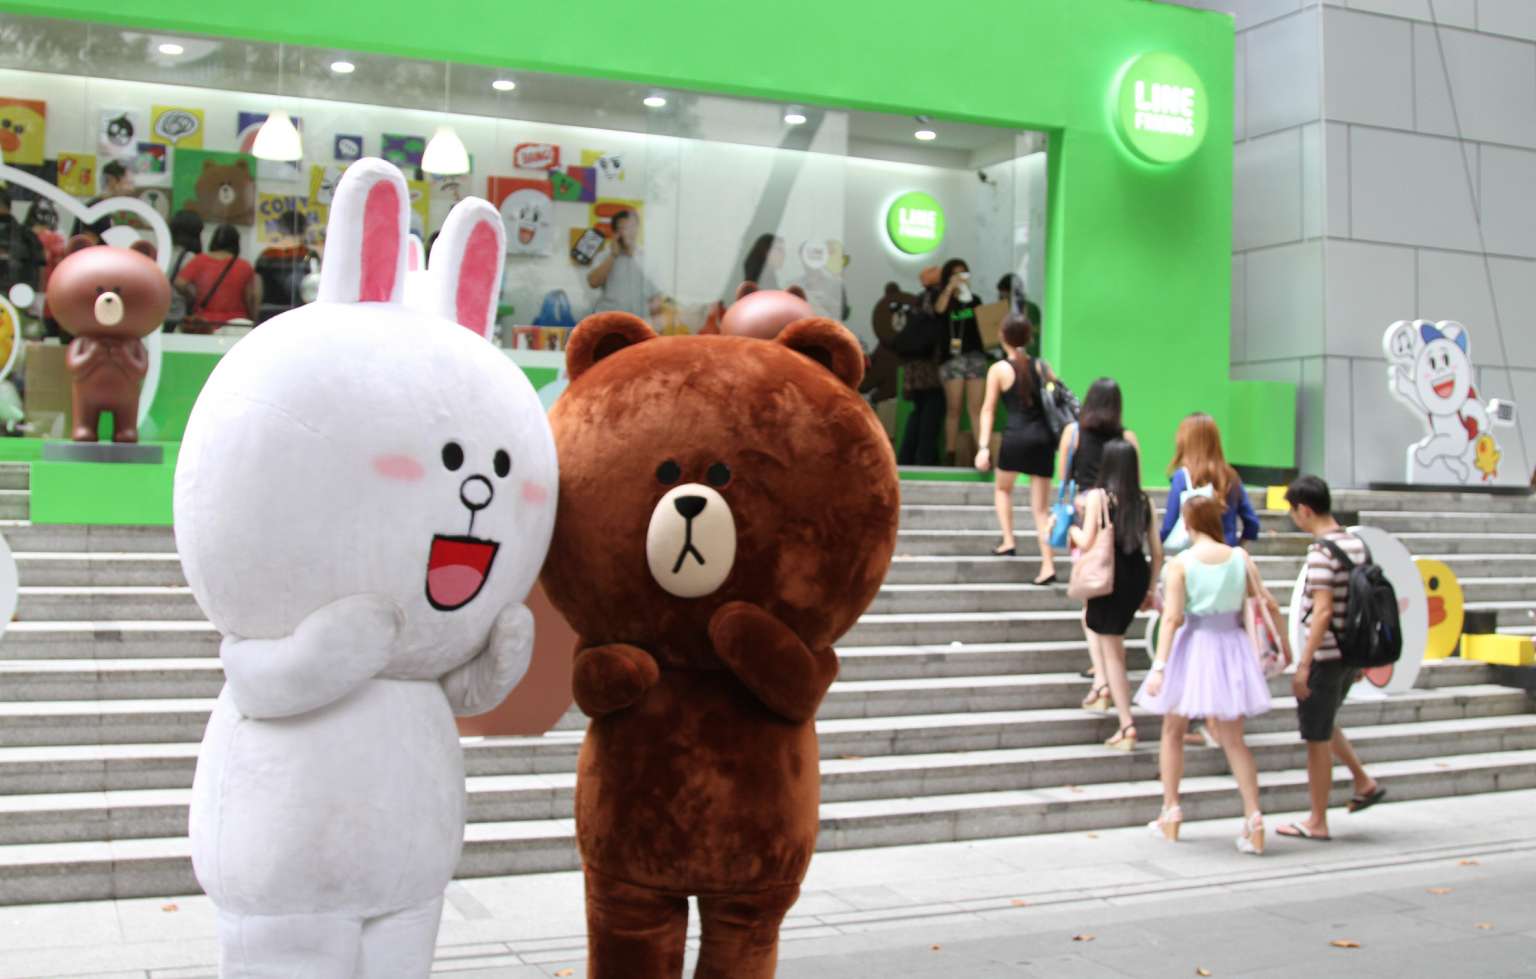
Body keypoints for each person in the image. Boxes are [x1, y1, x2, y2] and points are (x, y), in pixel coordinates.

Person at [1137, 494, 1281, 854]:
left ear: (1189, 524)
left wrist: (1159, 667)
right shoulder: (1240, 558)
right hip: (1232, 646)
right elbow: (1265, 602)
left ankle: (1171, 809)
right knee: (1234, 739)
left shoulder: (1181, 564)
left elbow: (1172, 618)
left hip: (1193, 646)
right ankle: (1253, 816)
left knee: (1173, 730)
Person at [1277, 475, 1386, 842]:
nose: (1294, 518)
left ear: (1305, 510)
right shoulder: (1357, 544)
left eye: (1294, 511)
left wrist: (1304, 664)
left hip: (1326, 656)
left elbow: (1322, 611)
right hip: (1350, 653)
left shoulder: (1321, 553)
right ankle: (1363, 781)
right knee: (1325, 722)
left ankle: (1317, 821)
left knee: (1316, 738)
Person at [1069, 439, 1161, 749]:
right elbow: (1157, 552)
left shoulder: (1099, 497)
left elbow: (1086, 541)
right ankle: (1106, 694)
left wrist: (1070, 529)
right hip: (1136, 577)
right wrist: (1150, 589)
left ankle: (1126, 724)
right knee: (1114, 646)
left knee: (1113, 654)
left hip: (1109, 578)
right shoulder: (1145, 501)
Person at [1058, 378, 1140, 706]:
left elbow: (1063, 476)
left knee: (1092, 597)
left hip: (1088, 517)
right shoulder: (1127, 438)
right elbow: (1134, 482)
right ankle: (1106, 668)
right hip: (1122, 522)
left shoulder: (1073, 433)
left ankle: (1102, 675)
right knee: (1108, 597)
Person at [975, 314, 1058, 584]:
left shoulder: (999, 369)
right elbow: (1057, 397)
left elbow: (987, 410)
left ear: (1002, 337)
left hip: (1015, 438)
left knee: (1003, 489)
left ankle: (1008, 540)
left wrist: (983, 447)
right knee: (1041, 509)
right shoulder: (1042, 367)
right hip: (1043, 439)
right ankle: (1048, 565)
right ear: (1029, 337)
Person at [1161, 413, 1260, 550]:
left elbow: (1168, 527)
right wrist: (1236, 547)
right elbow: (1252, 524)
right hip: (1226, 553)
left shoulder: (1182, 477)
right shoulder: (1231, 476)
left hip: (1195, 556)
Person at [930, 258, 987, 466]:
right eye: (956, 274)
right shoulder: (943, 299)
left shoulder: (975, 300)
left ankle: (982, 452)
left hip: (975, 356)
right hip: (952, 359)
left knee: (976, 408)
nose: (961, 278)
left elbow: (984, 325)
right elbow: (938, 310)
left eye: (964, 274)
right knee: (954, 408)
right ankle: (950, 453)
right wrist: (950, 288)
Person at [890, 268, 947, 466]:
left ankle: (907, 458)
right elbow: (939, 317)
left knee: (918, 413)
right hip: (930, 370)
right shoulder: (936, 298)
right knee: (932, 413)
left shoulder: (919, 299)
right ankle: (925, 458)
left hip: (914, 369)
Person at [175, 224, 259, 330]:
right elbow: (251, 297)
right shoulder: (244, 266)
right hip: (236, 324)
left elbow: (179, 283)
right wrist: (255, 320)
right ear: (236, 243)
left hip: (204, 323)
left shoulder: (199, 261)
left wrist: (191, 297)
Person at [588, 208, 662, 320]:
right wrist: (613, 255)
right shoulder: (605, 255)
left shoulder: (647, 258)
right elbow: (593, 282)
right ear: (616, 233)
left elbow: (656, 296)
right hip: (609, 321)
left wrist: (655, 324)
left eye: (633, 227)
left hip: (638, 322)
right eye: (624, 228)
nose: (630, 232)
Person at [254, 210, 318, 322]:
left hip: (268, 317)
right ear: (304, 229)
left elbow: (257, 292)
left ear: (279, 229)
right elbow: (315, 290)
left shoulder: (266, 255)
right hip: (300, 316)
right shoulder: (309, 255)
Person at [72, 159, 134, 241]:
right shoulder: (95, 209)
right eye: (127, 183)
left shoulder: (116, 210)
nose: (131, 189)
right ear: (112, 181)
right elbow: (88, 245)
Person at [163, 209, 203, 332]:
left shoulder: (163, 254)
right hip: (180, 317)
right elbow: (192, 292)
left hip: (160, 314)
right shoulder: (191, 258)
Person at [996, 272, 1042, 337]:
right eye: (1001, 292)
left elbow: (1036, 333)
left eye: (1004, 292)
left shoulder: (1030, 308)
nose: (1001, 296)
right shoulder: (1000, 310)